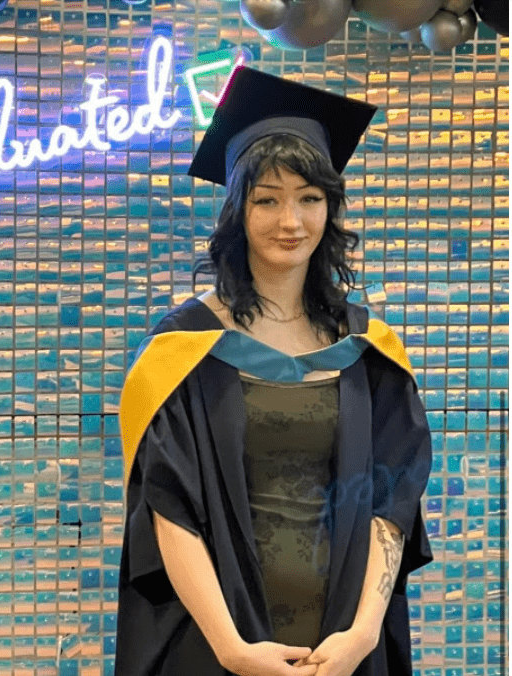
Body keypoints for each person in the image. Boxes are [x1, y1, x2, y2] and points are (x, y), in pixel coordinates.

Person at [114, 65, 433, 676]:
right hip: (217, 643)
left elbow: (393, 503)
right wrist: (232, 649)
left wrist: (363, 635)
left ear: (330, 208)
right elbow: (167, 508)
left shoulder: (370, 350)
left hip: (340, 646)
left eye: (310, 199)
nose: (291, 222)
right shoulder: (184, 347)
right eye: (268, 200)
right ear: (239, 210)